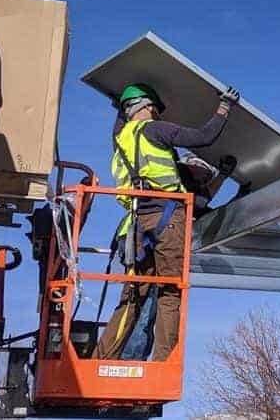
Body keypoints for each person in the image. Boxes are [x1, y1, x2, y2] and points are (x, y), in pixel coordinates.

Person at [96, 82, 240, 361]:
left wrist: (118, 106)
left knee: (132, 296)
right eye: (154, 109)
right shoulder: (155, 130)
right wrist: (224, 106)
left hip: (137, 222)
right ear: (146, 107)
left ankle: (101, 359)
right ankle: (163, 363)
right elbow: (204, 137)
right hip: (168, 216)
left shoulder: (120, 137)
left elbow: (119, 123)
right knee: (170, 291)